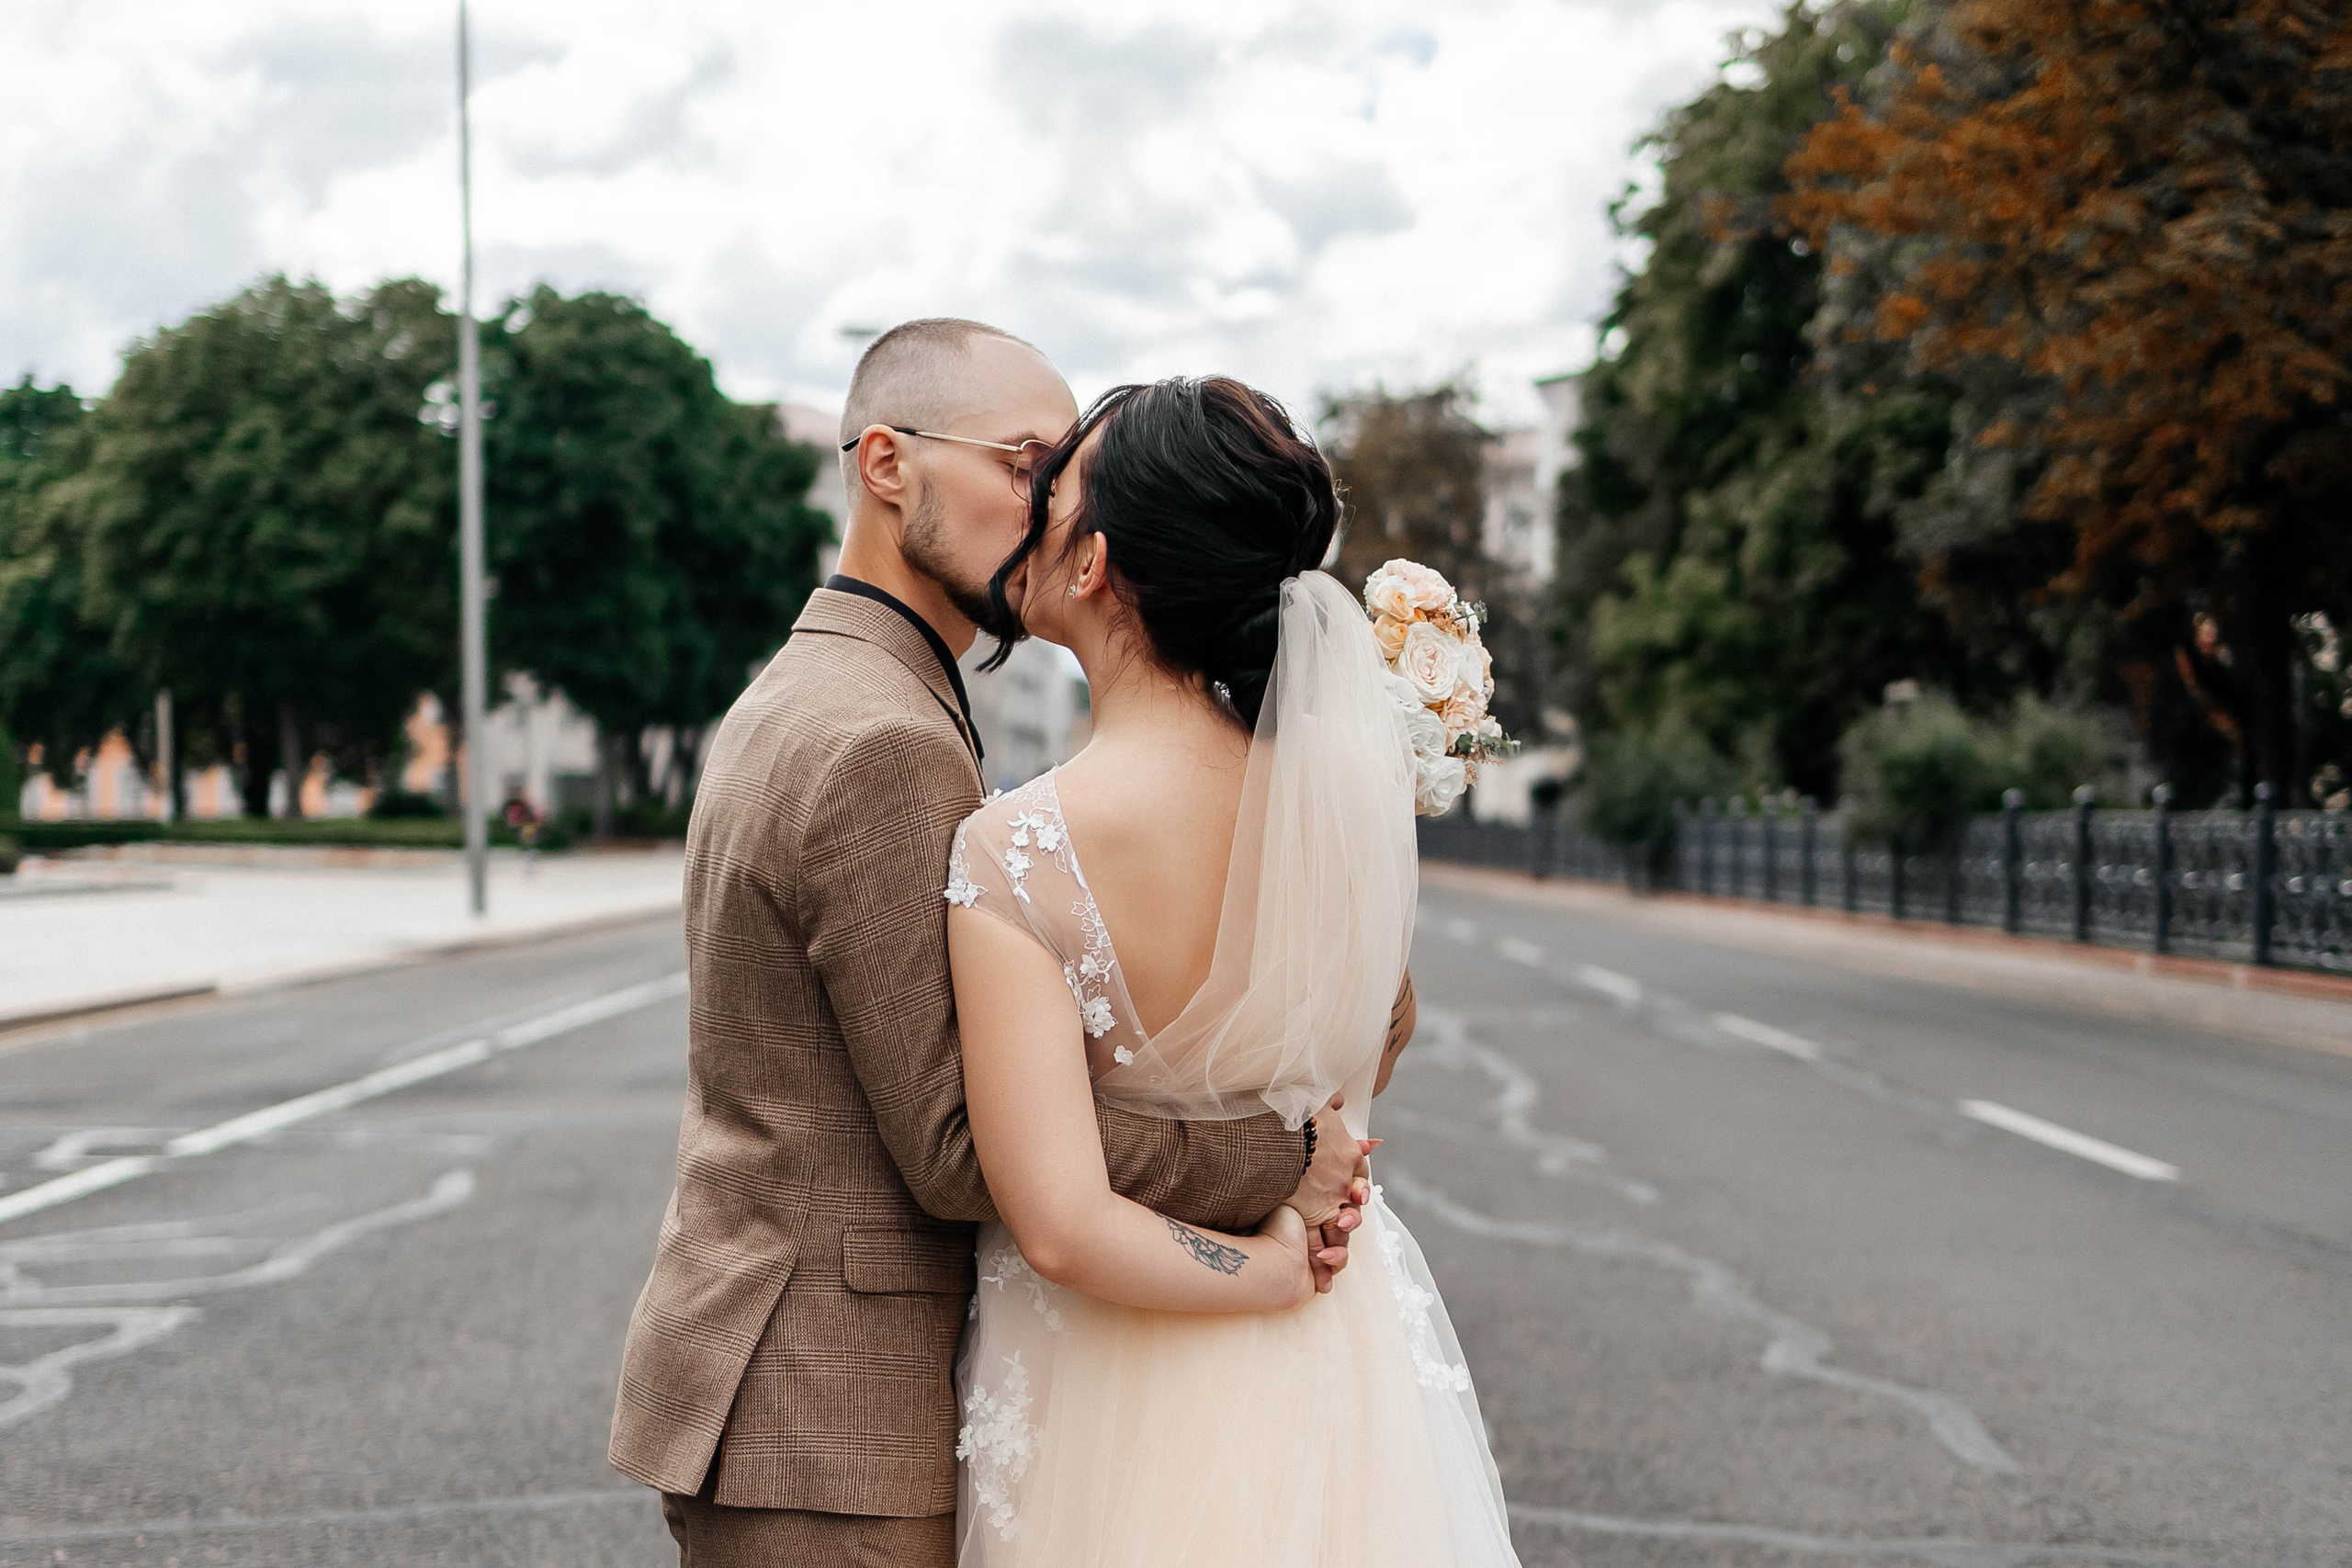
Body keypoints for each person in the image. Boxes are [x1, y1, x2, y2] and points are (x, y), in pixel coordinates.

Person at [606, 321, 1372, 1568]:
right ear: (887, 466)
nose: (1047, 503)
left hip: (788, 1391)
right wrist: (1276, 1159)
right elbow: (964, 1149)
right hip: (832, 1415)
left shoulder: (839, 685)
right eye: (1026, 462)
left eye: (1061, 470)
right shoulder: (882, 739)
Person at [944, 377, 1521, 1564]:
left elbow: (1061, 1228)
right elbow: (1352, 1089)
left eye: (1053, 488)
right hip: (1339, 1351)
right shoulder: (1340, 816)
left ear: (1094, 563)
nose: (1030, 506)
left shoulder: (1017, 851)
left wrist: (1264, 1275)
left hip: (1112, 1382)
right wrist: (1290, 1262)